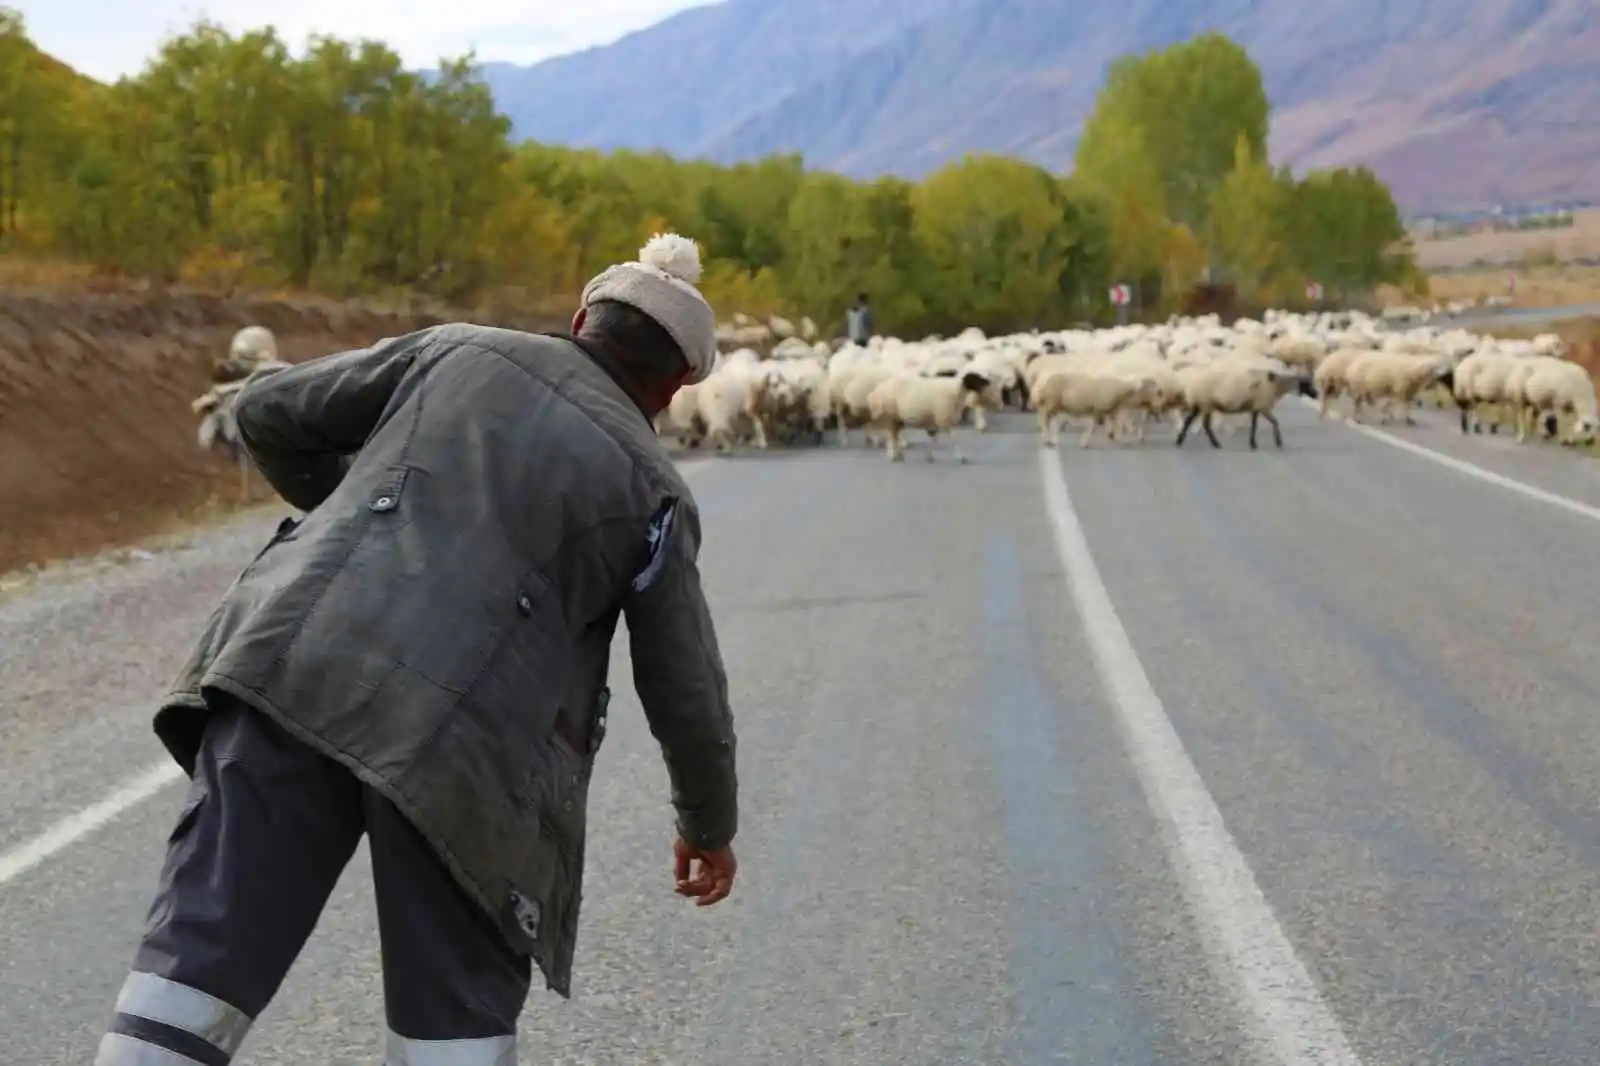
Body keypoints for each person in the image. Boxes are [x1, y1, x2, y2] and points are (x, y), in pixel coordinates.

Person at [94, 233, 740, 1066]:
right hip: (473, 758)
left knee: (193, 972)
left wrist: (367, 525)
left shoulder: (452, 351)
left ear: (582, 318)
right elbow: (684, 687)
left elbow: (263, 411)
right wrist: (707, 825)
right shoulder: (653, 491)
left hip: (291, 673)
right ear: (680, 383)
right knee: (453, 1023)